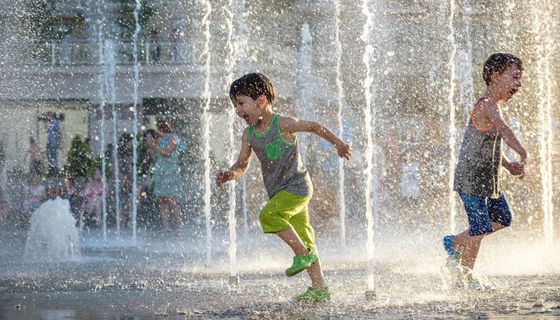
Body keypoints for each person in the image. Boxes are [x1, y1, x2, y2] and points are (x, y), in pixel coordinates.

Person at [216, 73, 352, 303]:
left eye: (241, 103)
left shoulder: (284, 124)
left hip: (298, 187)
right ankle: (320, 289)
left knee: (268, 215)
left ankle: (302, 255)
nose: (238, 111)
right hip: (281, 193)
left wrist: (339, 144)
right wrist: (230, 174)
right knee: (306, 237)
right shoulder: (248, 135)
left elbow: (314, 127)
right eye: (235, 105)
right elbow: (242, 165)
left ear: (260, 101)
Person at [443, 53, 527, 289]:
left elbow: (487, 146)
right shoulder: (488, 105)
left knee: (502, 219)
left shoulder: (493, 106)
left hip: (487, 181)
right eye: (514, 77)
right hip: (471, 180)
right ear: (495, 76)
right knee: (479, 228)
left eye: (520, 80)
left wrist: (508, 165)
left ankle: (456, 243)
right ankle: (466, 277)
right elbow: (504, 130)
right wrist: (522, 151)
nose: (518, 85)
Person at [153, 119, 184, 230]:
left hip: (170, 172)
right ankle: (166, 225)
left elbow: (167, 152)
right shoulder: (160, 138)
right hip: (161, 171)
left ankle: (180, 224)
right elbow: (156, 155)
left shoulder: (173, 137)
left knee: (171, 199)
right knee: (162, 199)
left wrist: (156, 146)